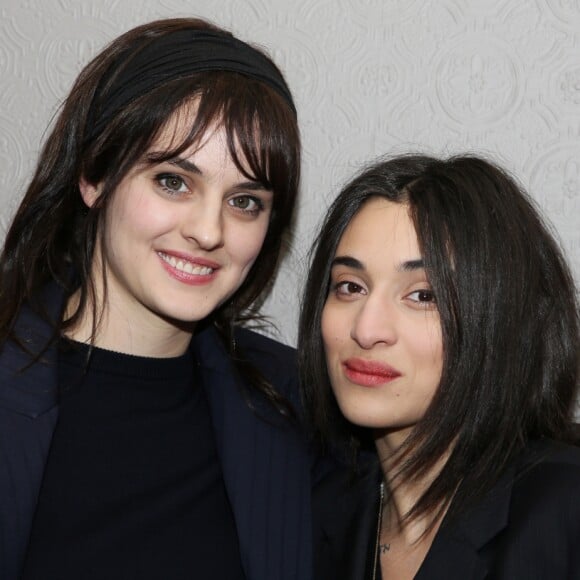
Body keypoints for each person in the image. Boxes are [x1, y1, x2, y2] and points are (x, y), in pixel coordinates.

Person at [0, 18, 312, 580]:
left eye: (245, 201)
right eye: (174, 181)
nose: (209, 231)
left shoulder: (292, 400)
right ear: (94, 175)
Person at [299, 154, 580, 579]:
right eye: (350, 286)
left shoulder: (564, 511)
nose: (367, 328)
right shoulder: (313, 509)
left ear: (500, 319)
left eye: (423, 296)